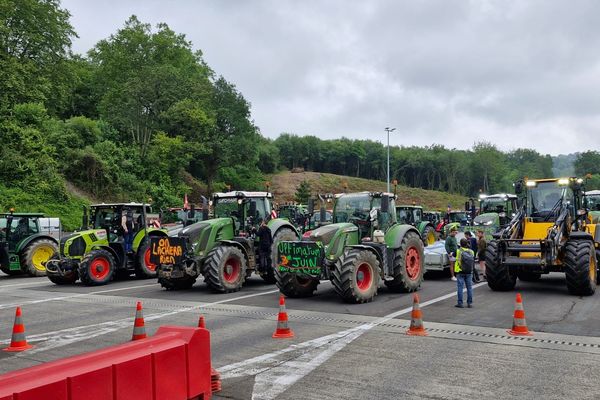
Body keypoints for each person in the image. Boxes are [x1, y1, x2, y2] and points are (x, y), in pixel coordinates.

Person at [455, 238, 475, 308]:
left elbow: (452, 255)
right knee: (469, 288)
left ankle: (460, 303)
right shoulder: (471, 252)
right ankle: (469, 303)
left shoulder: (458, 251)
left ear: (460, 244)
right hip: (469, 272)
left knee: (460, 287)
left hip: (460, 271)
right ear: (467, 244)